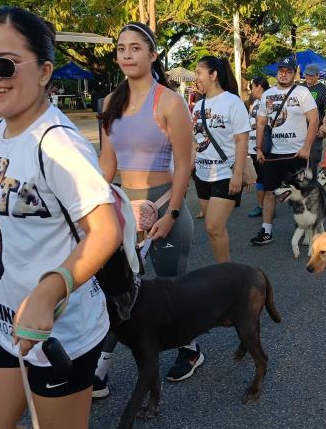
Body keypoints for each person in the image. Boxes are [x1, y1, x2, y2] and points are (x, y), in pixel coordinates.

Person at [0, 7, 121, 427]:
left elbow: (106, 231)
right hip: (6, 325)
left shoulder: (58, 146)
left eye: (5, 63)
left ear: (45, 71)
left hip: (60, 333)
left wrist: (48, 294)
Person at [98, 22, 196, 390]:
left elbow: (185, 165)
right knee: (118, 288)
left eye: (136, 48)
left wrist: (170, 213)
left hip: (163, 206)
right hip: (124, 211)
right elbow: (107, 166)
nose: (127, 55)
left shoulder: (170, 102)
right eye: (122, 48)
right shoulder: (111, 103)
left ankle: (189, 348)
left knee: (171, 287)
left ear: (153, 55)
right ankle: (102, 365)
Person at [250, 56, 318, 245]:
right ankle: (266, 231)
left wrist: (306, 147)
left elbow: (314, 120)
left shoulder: (302, 92)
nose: (284, 74)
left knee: (302, 193)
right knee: (270, 191)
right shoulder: (267, 94)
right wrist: (258, 149)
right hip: (273, 154)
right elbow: (261, 122)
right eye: (281, 70)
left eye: (288, 71)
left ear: (294, 73)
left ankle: (305, 228)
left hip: (297, 154)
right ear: (277, 72)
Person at [191, 55, 249, 262]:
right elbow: (196, 140)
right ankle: (222, 269)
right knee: (213, 230)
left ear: (213, 74)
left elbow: (242, 140)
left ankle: (227, 274)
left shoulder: (233, 102)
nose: (195, 77)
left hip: (226, 173)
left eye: (199, 72)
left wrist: (238, 175)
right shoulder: (198, 106)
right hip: (202, 174)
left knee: (213, 226)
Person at [302, 63, 326, 174]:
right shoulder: (300, 88)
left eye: (311, 75)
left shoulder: (323, 89)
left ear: (317, 76)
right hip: (299, 130)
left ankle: (312, 185)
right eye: (307, 75)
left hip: (315, 131)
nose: (308, 77)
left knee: (313, 161)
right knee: (299, 161)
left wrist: (323, 126)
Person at [246, 76, 269, 218]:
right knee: (259, 177)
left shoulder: (268, 102)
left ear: (259, 86)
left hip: (263, 147)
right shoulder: (255, 104)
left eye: (252, 87)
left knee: (263, 177)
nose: (251, 90)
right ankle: (262, 205)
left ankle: (263, 206)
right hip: (252, 146)